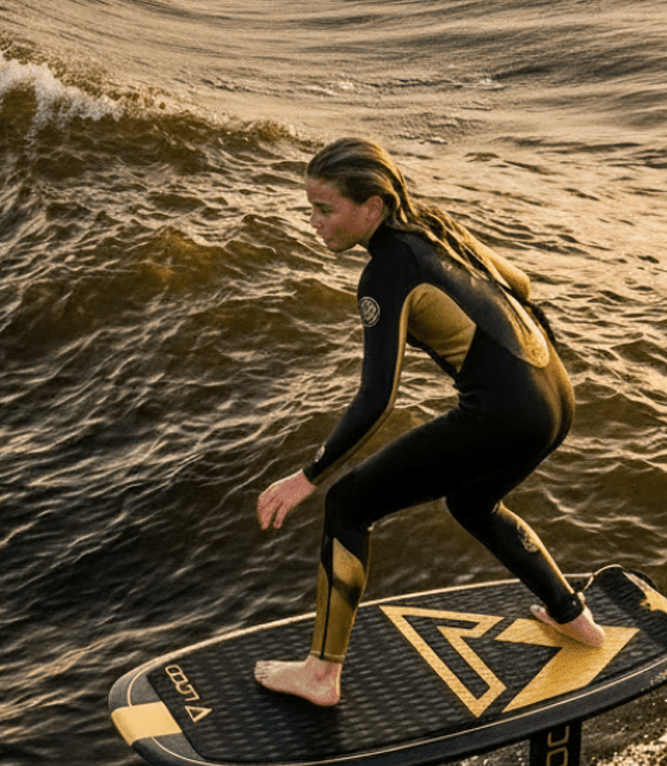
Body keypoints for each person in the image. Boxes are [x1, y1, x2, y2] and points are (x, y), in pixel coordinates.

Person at [254, 138, 604, 707]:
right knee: (472, 502)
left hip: (505, 412)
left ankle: (321, 674)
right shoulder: (436, 227)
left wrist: (307, 477)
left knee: (347, 504)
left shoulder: (385, 274)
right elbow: (519, 285)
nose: (313, 222)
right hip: (554, 393)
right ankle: (572, 616)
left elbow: (376, 400)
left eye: (324, 209)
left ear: (371, 207)